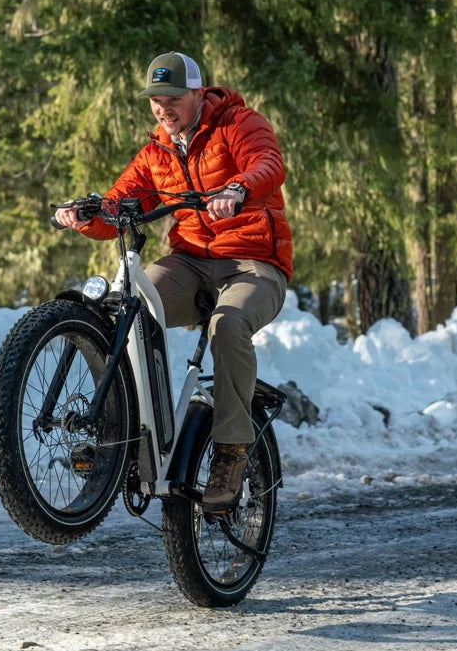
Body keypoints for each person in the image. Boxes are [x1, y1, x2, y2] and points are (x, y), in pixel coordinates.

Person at [55, 51, 293, 513]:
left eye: (172, 98)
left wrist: (238, 189)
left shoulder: (239, 124)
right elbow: (116, 207)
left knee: (228, 324)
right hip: (190, 262)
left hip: (254, 263)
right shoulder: (156, 154)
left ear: (198, 94)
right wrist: (84, 215)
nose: (163, 108)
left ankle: (231, 450)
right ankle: (120, 430)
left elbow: (268, 163)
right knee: (124, 309)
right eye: (154, 100)